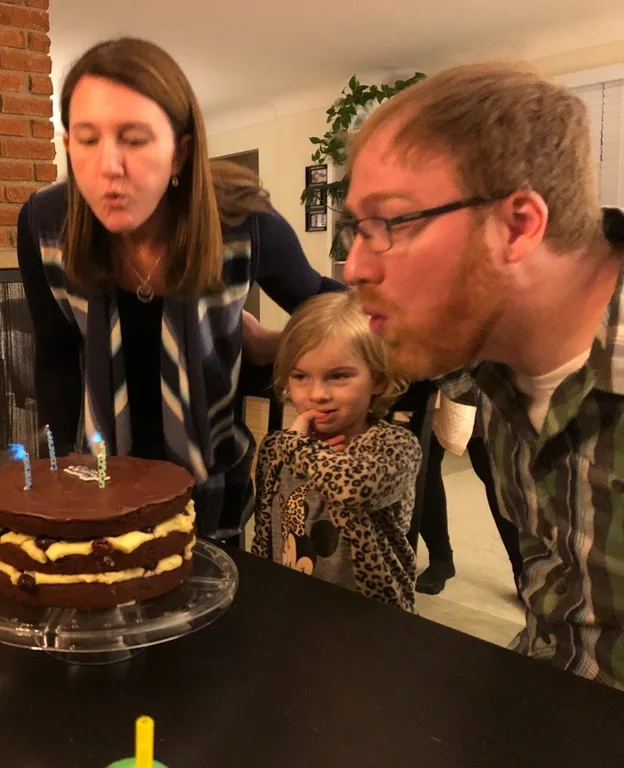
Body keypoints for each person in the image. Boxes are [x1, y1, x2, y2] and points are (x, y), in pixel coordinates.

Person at [341, 61, 624, 687]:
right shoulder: (489, 353)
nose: (353, 266)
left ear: (518, 226)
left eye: (391, 222)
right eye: (355, 229)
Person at [17, 37, 341, 539]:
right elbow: (55, 359)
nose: (108, 166)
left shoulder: (243, 221)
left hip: (213, 480)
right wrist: (58, 475)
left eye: (134, 139)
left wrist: (277, 345)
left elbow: (330, 311)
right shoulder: (44, 223)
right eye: (87, 139)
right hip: (99, 479)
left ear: (180, 153)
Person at [251, 292, 420, 611]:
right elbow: (264, 530)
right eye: (300, 376)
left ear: (378, 380)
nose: (317, 394)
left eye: (338, 376)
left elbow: (355, 488)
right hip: (292, 604)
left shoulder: (395, 447)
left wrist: (295, 448)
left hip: (370, 616)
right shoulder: (278, 447)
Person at [415, 417, 523, 596]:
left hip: (478, 402)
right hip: (429, 401)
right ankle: (440, 559)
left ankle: (524, 571)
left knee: (491, 467)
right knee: (425, 463)